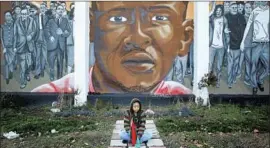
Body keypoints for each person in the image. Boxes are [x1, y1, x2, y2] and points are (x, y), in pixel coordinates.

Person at [31, 2, 193, 95]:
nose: (137, 38)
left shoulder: (182, 95)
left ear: (184, 39)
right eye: (118, 18)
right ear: (91, 28)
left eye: (159, 18)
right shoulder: (50, 94)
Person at [240, 1, 269, 95]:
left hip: (266, 44)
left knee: (268, 67)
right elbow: (248, 27)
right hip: (256, 44)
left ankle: (259, 80)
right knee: (253, 66)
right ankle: (254, 86)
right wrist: (242, 42)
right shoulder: (255, 11)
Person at [13, 7, 37, 89]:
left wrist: (31, 35)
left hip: (29, 46)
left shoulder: (32, 20)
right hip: (20, 47)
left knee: (29, 64)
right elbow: (15, 35)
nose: (23, 15)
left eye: (25, 14)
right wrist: (15, 46)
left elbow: (35, 30)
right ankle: (23, 82)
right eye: (22, 14)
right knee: (23, 66)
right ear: (20, 14)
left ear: (27, 14)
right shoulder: (16, 22)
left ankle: (27, 74)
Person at [225, 2, 246, 88]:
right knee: (230, 64)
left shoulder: (241, 17)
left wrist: (243, 43)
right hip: (229, 44)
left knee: (236, 64)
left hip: (238, 45)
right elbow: (222, 28)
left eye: (235, 7)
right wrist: (224, 31)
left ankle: (233, 78)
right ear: (229, 8)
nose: (234, 9)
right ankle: (229, 81)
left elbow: (244, 31)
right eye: (232, 7)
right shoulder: (226, 17)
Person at [209, 4, 230, 88]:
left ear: (222, 12)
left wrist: (227, 42)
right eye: (217, 11)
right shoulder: (211, 19)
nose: (218, 12)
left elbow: (227, 33)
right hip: (212, 46)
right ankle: (210, 81)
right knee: (210, 65)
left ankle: (217, 81)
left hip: (221, 47)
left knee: (219, 66)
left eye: (220, 11)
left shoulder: (224, 20)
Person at [1, 11, 15, 84]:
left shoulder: (14, 25)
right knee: (6, 62)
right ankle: (7, 77)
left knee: (12, 61)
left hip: (12, 47)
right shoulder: (2, 26)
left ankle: (11, 71)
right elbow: (1, 38)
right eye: (6, 16)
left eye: (9, 15)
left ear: (11, 16)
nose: (8, 17)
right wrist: (4, 47)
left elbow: (16, 36)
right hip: (6, 47)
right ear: (5, 17)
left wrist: (15, 46)